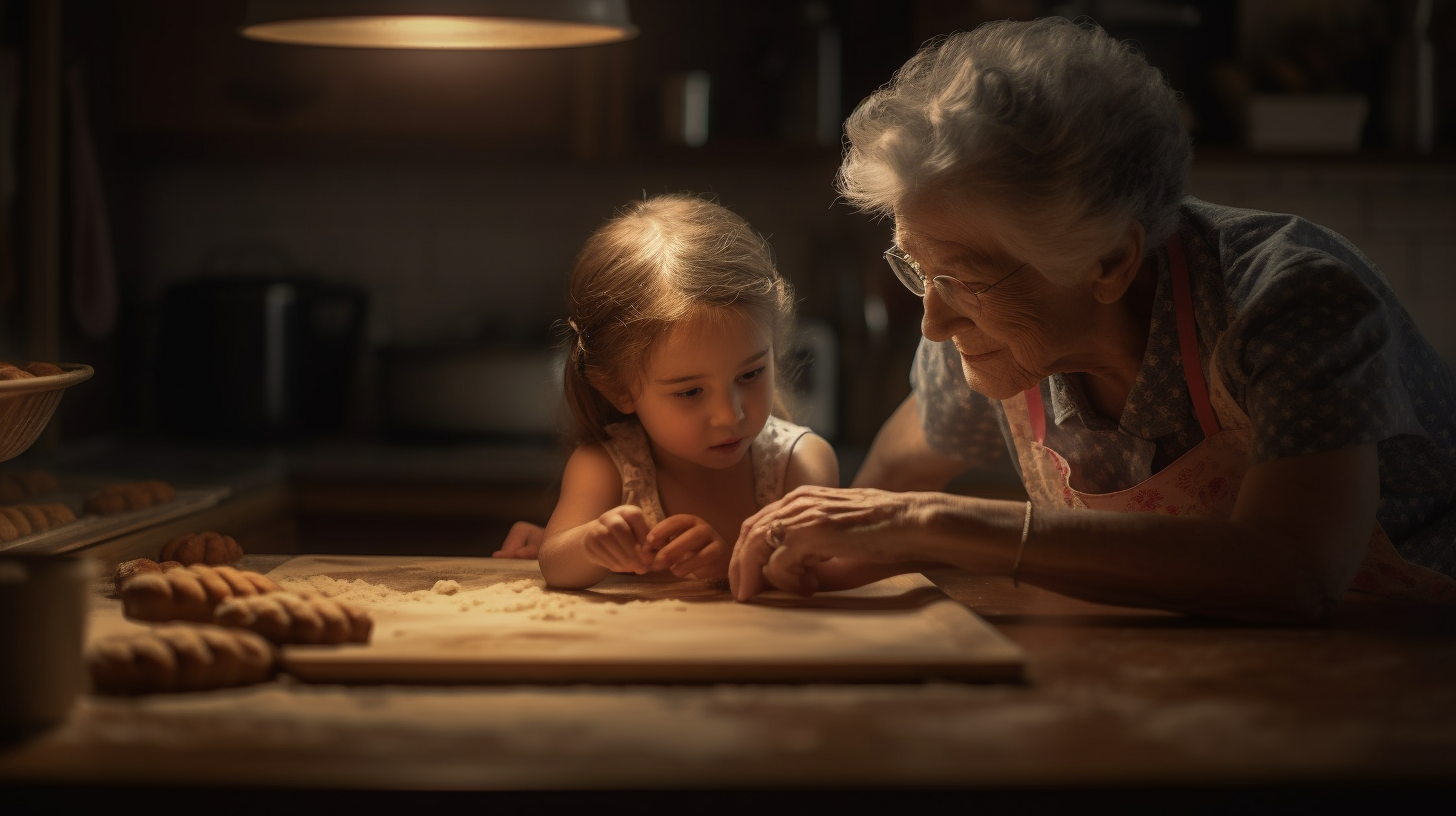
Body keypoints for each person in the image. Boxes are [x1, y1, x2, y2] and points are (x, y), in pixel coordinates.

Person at [729, 16, 1456, 623]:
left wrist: (935, 524)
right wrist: (779, 546)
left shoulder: (1287, 302)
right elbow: (881, 494)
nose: (934, 322)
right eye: (919, 269)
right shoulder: (990, 339)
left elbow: (1294, 569)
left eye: (963, 280)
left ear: (1109, 261)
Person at [526, 193, 838, 590]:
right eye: (690, 392)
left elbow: (818, 573)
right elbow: (555, 564)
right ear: (618, 389)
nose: (730, 415)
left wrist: (732, 563)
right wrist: (592, 544)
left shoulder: (799, 464)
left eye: (751, 373)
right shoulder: (606, 467)